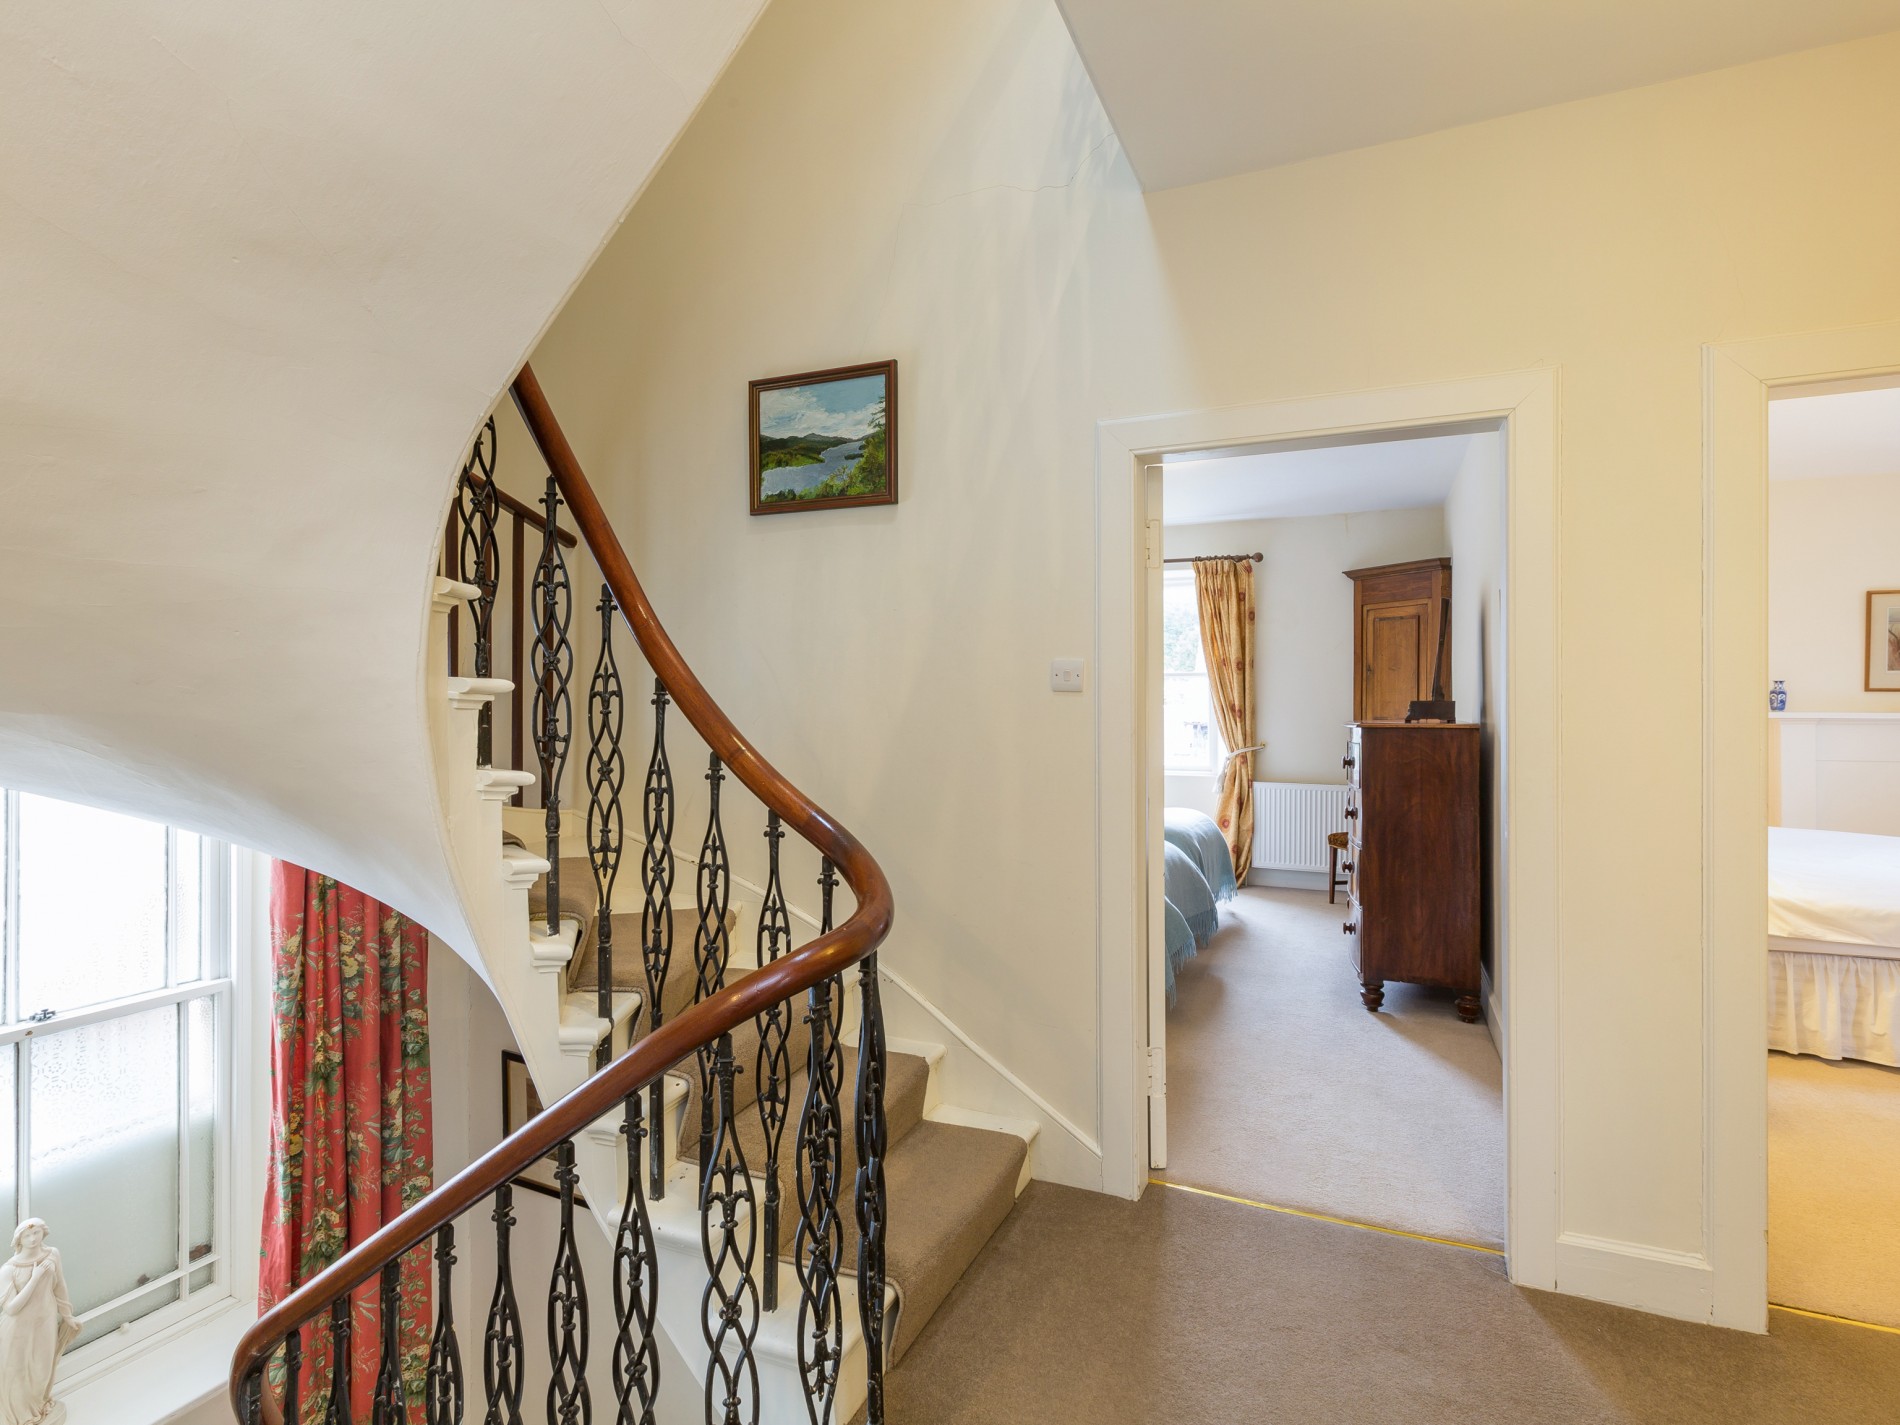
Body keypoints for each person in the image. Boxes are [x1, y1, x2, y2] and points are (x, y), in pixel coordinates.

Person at [0, 1221, 80, 1425]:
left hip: (45, 1321)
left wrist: (67, 1315)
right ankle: (20, 1417)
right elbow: (11, 1308)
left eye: (36, 1233)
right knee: (17, 1374)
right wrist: (34, 1278)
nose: (33, 1238)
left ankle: (38, 1406)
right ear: (19, 1240)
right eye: (27, 1236)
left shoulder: (52, 1254)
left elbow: (59, 1286)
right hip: (18, 1329)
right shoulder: (9, 1269)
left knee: (41, 1369)